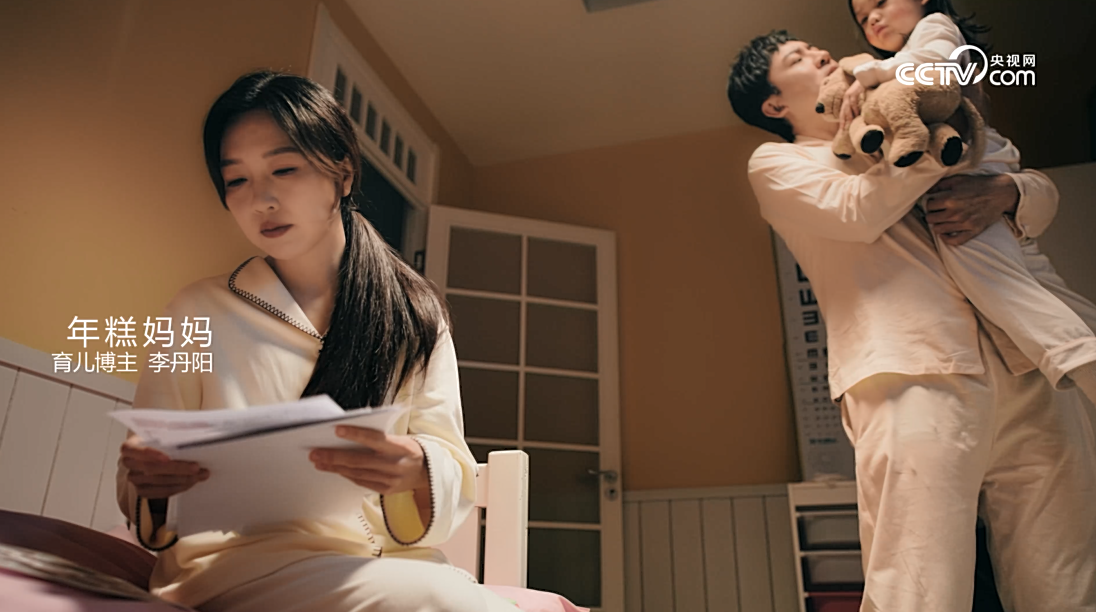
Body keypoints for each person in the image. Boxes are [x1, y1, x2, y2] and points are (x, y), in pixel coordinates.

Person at [116, 70, 516, 612]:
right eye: (236, 180)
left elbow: (447, 458)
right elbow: (142, 481)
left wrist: (415, 467)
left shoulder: (415, 316)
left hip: (392, 567)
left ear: (343, 174)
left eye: (284, 169)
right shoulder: (195, 310)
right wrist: (151, 482)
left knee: (440, 594)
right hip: (238, 569)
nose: (261, 200)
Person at [728, 31, 1096, 612]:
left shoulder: (900, 101)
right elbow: (857, 210)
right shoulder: (778, 163)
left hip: (1026, 362)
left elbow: (1030, 185)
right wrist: (930, 137)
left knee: (1066, 578)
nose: (820, 54)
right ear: (774, 104)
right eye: (796, 58)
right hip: (912, 375)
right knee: (918, 586)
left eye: (816, 48)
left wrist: (1008, 191)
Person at [837, 0, 1096, 404]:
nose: (873, 18)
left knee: (984, 267)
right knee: (1040, 281)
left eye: (881, 2)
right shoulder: (902, 59)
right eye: (863, 18)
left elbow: (932, 66)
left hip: (972, 170)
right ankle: (1085, 339)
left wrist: (868, 76)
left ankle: (1079, 358)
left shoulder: (936, 27)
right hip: (968, 171)